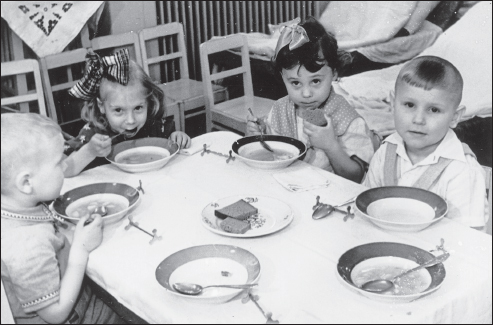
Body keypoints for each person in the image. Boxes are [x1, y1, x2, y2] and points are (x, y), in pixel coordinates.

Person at [1, 113, 123, 323]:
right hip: (72, 316)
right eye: (59, 163)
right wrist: (81, 248)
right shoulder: (26, 245)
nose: (65, 167)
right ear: (26, 183)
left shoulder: (17, 203)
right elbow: (55, 314)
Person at [363, 56, 487, 230]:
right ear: (393, 103)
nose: (418, 119)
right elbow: (367, 204)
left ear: (455, 117)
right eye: (409, 105)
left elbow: (467, 239)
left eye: (434, 109)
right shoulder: (386, 150)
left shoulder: (462, 171)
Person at [246, 17, 375, 183]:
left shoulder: (348, 120)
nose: (306, 94)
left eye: (315, 81)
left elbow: (357, 177)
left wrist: (331, 146)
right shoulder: (280, 109)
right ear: (282, 77)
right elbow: (270, 154)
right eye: (295, 83)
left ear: (334, 73)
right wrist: (257, 136)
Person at [63, 49, 191, 176]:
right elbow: (65, 170)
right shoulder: (94, 133)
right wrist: (89, 151)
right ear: (101, 106)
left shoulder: (152, 124)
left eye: (138, 108)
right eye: (118, 110)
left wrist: (177, 137)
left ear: (148, 101)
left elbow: (170, 143)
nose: (131, 120)